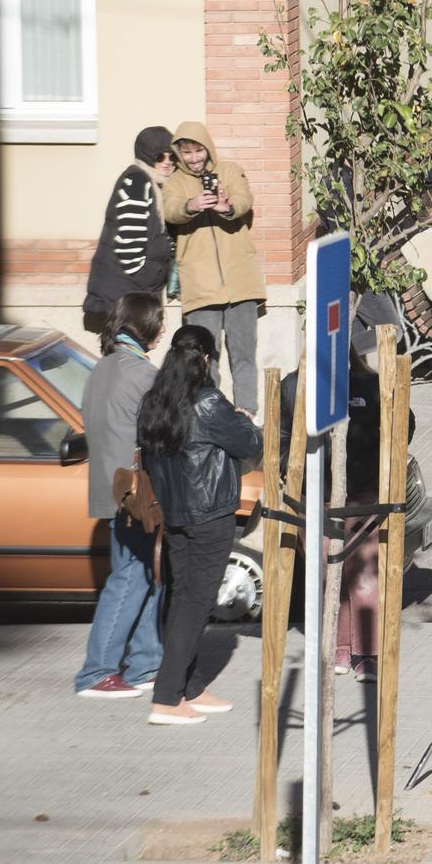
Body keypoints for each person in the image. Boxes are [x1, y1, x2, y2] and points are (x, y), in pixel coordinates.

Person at [137, 324, 261, 725]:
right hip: (209, 515)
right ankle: (167, 698)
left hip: (176, 515)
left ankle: (191, 686)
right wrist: (242, 420)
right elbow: (251, 445)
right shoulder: (208, 402)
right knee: (196, 602)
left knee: (183, 597)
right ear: (206, 359)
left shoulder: (155, 402)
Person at [275, 336, 417, 678]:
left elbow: (404, 425)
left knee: (365, 576)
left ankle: (366, 653)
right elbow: (280, 435)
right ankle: (339, 650)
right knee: (328, 577)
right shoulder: (295, 386)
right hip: (314, 498)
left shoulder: (369, 385)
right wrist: (289, 468)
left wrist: (380, 464)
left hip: (362, 497)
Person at [74, 293, 166, 700]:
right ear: (146, 326)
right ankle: (96, 671)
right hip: (136, 493)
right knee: (131, 577)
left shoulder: (102, 368)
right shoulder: (142, 374)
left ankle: (146, 663)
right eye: (159, 323)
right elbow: (163, 430)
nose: (162, 331)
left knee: (146, 575)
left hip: (111, 492)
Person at [160, 123, 265, 415]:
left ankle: (246, 412)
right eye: (187, 153)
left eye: (198, 151)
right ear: (179, 154)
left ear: (208, 147)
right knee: (204, 358)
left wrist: (227, 206)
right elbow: (170, 210)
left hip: (240, 281)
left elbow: (245, 200)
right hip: (201, 286)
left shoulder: (230, 171)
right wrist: (191, 204)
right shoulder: (175, 182)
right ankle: (209, 413)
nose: (194, 158)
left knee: (244, 354)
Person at [84, 128, 177, 332]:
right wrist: (147, 276)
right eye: (160, 156)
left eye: (172, 156)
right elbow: (129, 244)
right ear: (146, 156)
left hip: (137, 292)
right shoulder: (137, 181)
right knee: (125, 355)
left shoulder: (155, 185)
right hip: (126, 294)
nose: (168, 161)